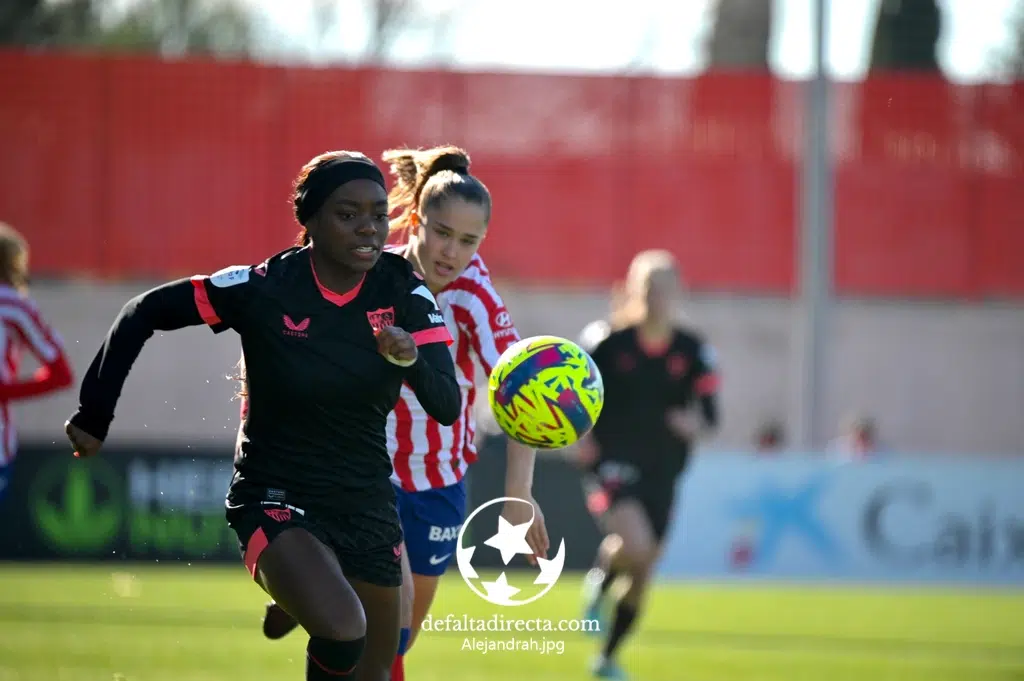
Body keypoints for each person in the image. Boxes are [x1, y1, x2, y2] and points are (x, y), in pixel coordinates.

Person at [63, 151, 461, 681]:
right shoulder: (264, 288)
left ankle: (304, 598)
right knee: (343, 629)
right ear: (311, 221)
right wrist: (95, 413)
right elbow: (144, 312)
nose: (368, 228)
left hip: (366, 502)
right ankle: (303, 591)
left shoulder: (404, 290)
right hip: (274, 495)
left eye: (377, 214)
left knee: (377, 671)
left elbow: (448, 406)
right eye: (348, 214)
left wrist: (410, 360)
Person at [260, 145, 550, 681]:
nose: (452, 252)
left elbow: (518, 390)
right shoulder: (371, 270)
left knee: (401, 636)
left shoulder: (475, 296)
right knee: (381, 629)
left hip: (439, 480)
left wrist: (519, 496)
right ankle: (316, 587)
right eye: (442, 232)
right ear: (414, 220)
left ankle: (313, 593)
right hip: (364, 468)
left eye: (469, 241)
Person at [575, 250, 720, 680]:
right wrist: (581, 437)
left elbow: (710, 417)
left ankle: (607, 656)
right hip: (613, 462)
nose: (657, 298)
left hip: (665, 471)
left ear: (679, 292)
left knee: (642, 566)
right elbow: (574, 395)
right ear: (635, 292)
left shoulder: (693, 350)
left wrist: (691, 422)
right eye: (649, 288)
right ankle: (600, 587)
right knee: (637, 547)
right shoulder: (607, 342)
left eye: (665, 289)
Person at [0, 222, 74, 501]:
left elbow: (60, 374)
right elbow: (61, 374)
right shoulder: (16, 305)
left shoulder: (13, 307)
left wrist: (4, 392)